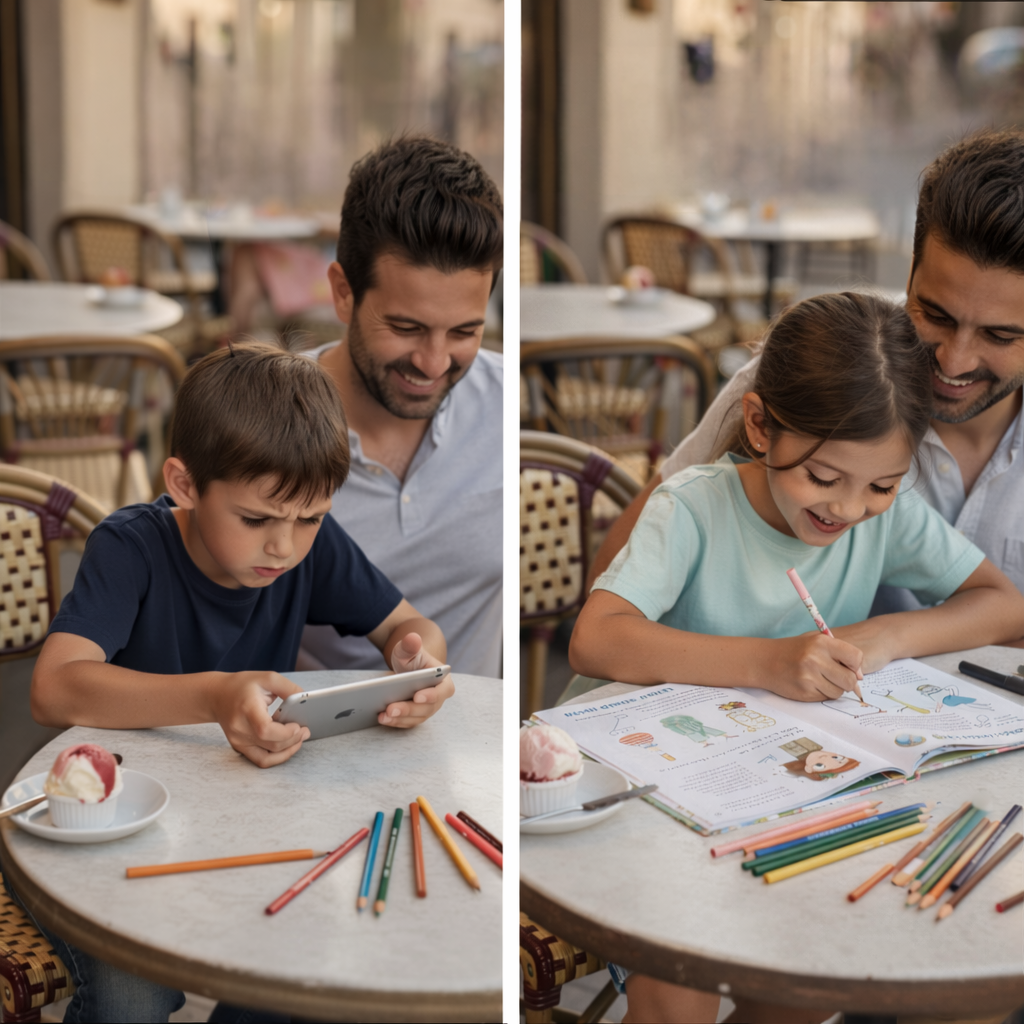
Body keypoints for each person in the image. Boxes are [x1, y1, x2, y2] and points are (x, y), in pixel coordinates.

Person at [569, 293, 1024, 1024]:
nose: (848, 509)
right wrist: (767, 663)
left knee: (806, 978)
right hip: (637, 789)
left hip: (771, 794)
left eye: (881, 486)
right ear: (759, 425)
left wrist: (887, 635)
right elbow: (596, 638)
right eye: (823, 478)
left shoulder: (883, 517)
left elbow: (1003, 605)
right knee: (676, 987)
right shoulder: (693, 508)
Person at [19, 343, 453, 1022]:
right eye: (255, 519)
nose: (284, 545)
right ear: (185, 484)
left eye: (310, 518)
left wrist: (417, 662)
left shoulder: (308, 543)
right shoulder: (131, 547)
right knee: (135, 994)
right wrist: (213, 696)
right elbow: (54, 688)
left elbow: (410, 625)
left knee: (306, 957)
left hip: (237, 827)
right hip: (97, 824)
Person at [588, 128, 1024, 638]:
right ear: (911, 273)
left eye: (1000, 335)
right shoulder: (817, 376)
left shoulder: (892, 516)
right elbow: (611, 591)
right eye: (936, 314)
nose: (954, 359)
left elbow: (1002, 606)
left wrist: (878, 640)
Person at [300, 135, 503, 679]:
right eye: (406, 327)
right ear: (343, 292)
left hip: (478, 728)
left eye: (464, 332)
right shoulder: (258, 421)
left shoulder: (504, 402)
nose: (434, 363)